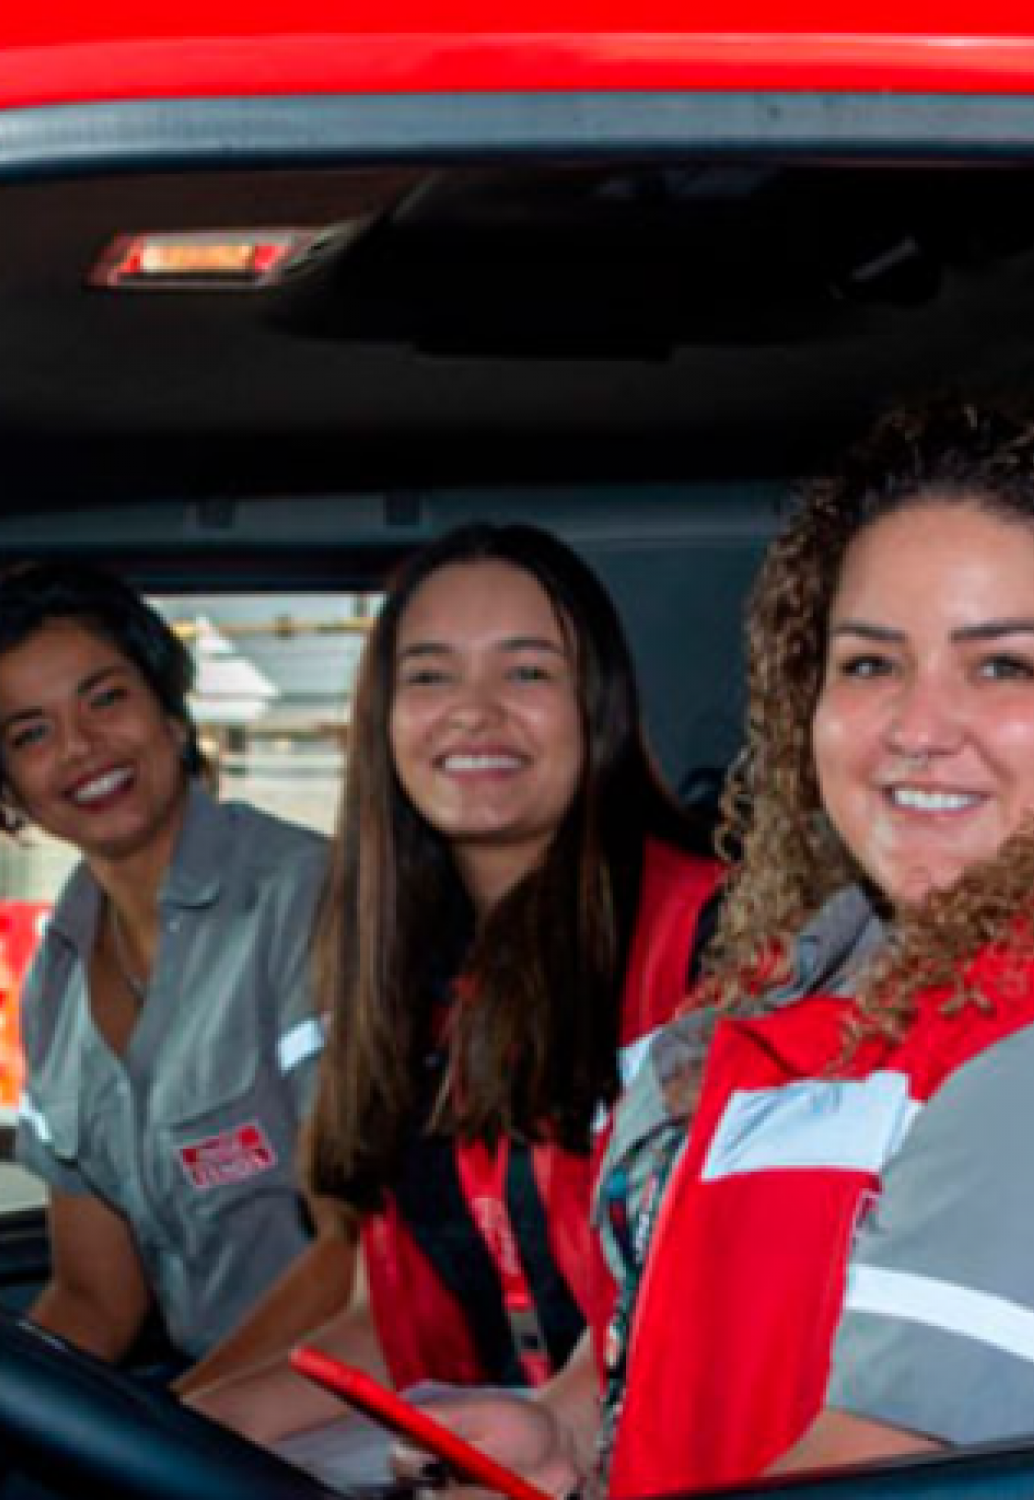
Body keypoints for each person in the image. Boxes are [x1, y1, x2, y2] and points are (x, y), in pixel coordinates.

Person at [400, 403, 1034, 1497]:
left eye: (1004, 667)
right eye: (872, 664)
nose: (916, 727)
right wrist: (559, 1443)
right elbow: (685, 1355)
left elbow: (894, 1476)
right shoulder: (819, 980)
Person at [188, 522, 721, 1445]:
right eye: (431, 675)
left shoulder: (712, 943)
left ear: (597, 704)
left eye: (526, 673)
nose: (473, 713)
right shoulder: (410, 977)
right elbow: (395, 1327)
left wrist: (546, 1432)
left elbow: (708, 1297)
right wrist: (180, 1433)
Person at [0, 562, 350, 1377]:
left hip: (357, 1406)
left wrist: (189, 1422)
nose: (82, 747)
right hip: (208, 1408)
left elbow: (363, 1260)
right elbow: (97, 1299)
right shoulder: (55, 981)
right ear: (6, 787)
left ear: (168, 708)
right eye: (31, 733)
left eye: (106, 698)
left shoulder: (309, 901)